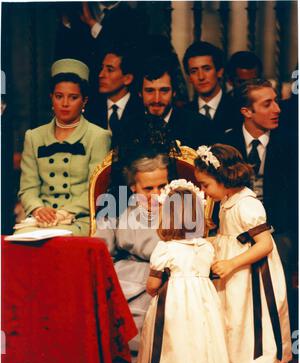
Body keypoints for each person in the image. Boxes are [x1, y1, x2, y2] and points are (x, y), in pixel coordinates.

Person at [194, 144, 292, 363]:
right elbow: (232, 239)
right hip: (234, 278)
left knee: (243, 330)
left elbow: (264, 245)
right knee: (231, 330)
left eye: (205, 185)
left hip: (249, 280)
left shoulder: (247, 206)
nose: (204, 191)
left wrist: (232, 262)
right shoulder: (227, 201)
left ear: (224, 178)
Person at [133, 179, 236, 363]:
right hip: (204, 307)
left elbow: (152, 285)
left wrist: (154, 290)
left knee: (175, 349)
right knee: (201, 348)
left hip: (174, 308)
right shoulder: (206, 247)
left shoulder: (165, 249)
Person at [222, 79, 297, 318]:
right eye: (268, 104)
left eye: (275, 101)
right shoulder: (225, 142)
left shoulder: (292, 142)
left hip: (281, 231)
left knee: (279, 301)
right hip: (235, 232)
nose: (277, 109)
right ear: (247, 111)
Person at [94, 146, 170, 363]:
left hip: (161, 281)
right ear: (133, 188)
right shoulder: (116, 213)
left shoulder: (179, 215)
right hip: (120, 278)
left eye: (162, 186)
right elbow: (100, 252)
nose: (156, 195)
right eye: (148, 188)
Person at [16, 58, 111, 236]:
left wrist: (64, 213)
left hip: (78, 219)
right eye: (59, 96)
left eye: (73, 97)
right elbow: (28, 188)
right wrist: (37, 209)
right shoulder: (34, 137)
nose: (65, 103)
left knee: (58, 242)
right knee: (19, 243)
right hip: (40, 220)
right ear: (51, 98)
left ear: (84, 101)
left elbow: (97, 189)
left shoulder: (98, 137)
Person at [120, 56, 216, 150]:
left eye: (164, 90)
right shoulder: (126, 127)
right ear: (140, 93)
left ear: (174, 92)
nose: (157, 99)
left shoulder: (199, 126)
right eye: (150, 91)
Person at [85, 44, 143, 146]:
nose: (101, 75)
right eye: (102, 68)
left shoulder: (141, 108)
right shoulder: (91, 108)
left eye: (110, 70)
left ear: (127, 78)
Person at [183, 41, 238, 134]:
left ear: (219, 72)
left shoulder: (237, 109)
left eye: (207, 69)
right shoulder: (183, 114)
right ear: (190, 78)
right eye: (194, 71)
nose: (201, 77)